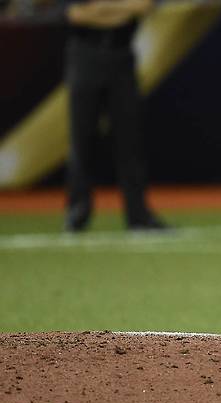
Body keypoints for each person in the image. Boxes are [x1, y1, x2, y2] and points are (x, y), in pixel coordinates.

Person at [62, 0, 165, 231]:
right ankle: (77, 212)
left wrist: (99, 8)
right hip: (84, 55)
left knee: (130, 140)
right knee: (82, 137)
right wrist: (120, 8)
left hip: (122, 55)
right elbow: (75, 14)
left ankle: (138, 215)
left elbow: (143, 7)